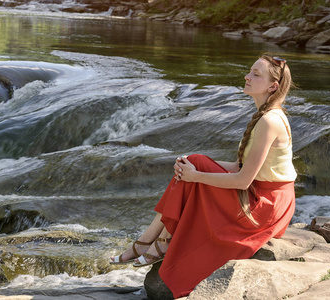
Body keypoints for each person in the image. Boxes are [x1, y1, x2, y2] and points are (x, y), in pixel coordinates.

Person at [109, 53, 297, 298]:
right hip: (262, 196)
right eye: (250, 71)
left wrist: (195, 176)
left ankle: (151, 243)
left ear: (273, 86)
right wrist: (193, 168)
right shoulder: (265, 116)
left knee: (195, 168)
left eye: (255, 74)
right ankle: (153, 242)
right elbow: (239, 167)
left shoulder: (269, 121)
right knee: (194, 160)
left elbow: (242, 180)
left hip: (266, 206)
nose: (247, 76)